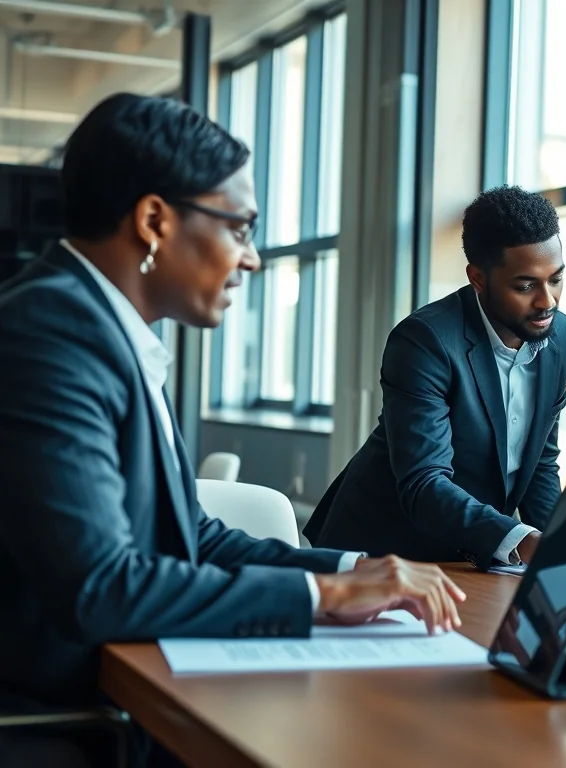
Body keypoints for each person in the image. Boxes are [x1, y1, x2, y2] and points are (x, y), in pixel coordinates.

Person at [0, 94, 464, 767]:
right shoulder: (52, 334)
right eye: (240, 228)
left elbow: (193, 535)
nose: (251, 259)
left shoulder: (101, 330)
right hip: (64, 725)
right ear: (155, 220)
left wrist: (352, 569)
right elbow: (100, 588)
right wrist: (325, 594)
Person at [305, 186, 566, 568]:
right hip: (381, 553)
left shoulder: (564, 339)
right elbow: (424, 482)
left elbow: (537, 464)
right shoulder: (425, 341)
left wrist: (563, 545)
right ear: (478, 279)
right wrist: (521, 538)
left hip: (471, 556)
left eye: (556, 279)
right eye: (525, 286)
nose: (547, 301)